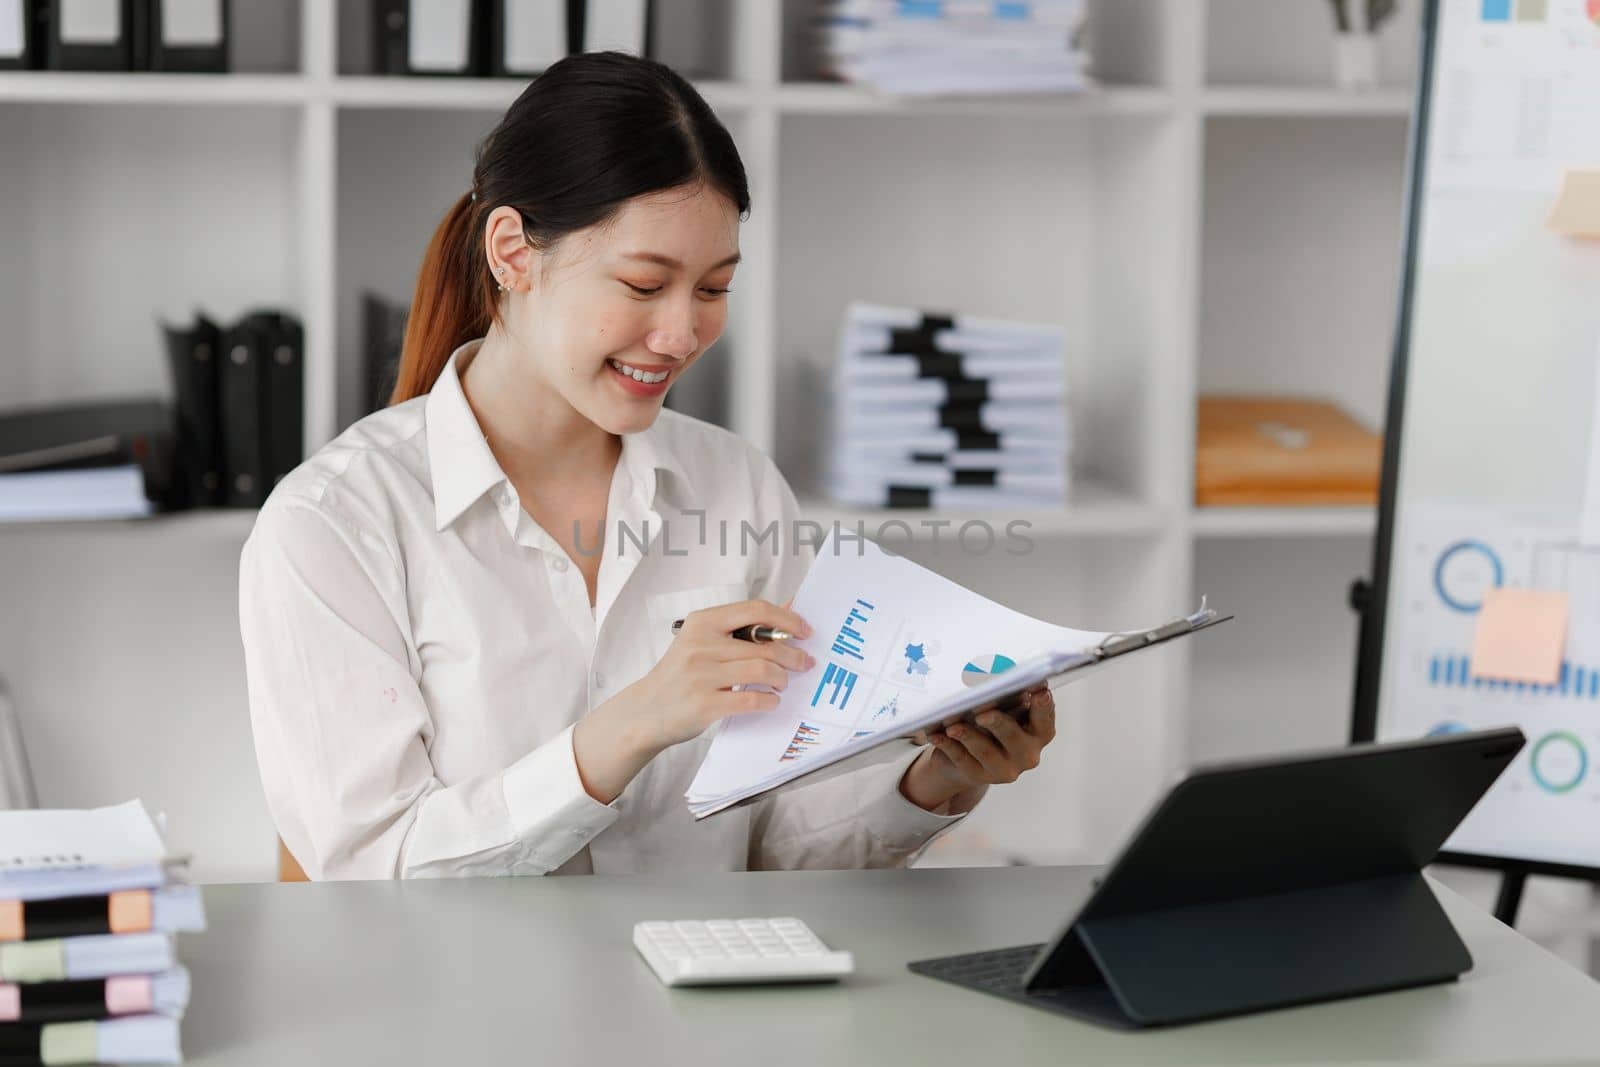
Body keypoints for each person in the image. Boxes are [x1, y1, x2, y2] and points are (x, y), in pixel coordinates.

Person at [238, 52, 1057, 880]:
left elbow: (774, 841)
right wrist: (632, 725)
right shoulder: (333, 525)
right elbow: (371, 875)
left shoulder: (738, 487)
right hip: (467, 1005)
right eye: (642, 284)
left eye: (712, 289)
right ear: (512, 253)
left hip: (705, 999)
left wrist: (935, 778)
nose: (680, 334)